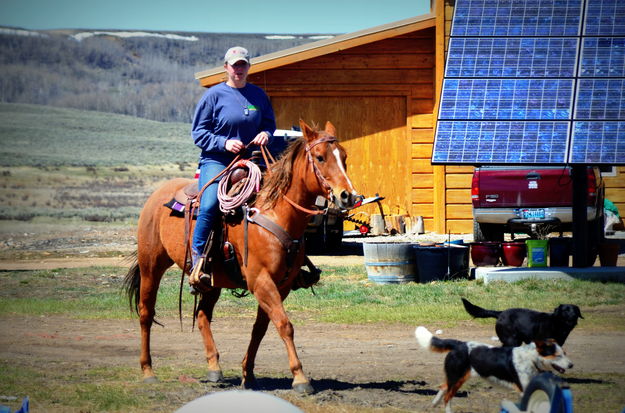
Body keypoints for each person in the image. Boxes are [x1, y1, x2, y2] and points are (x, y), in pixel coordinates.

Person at [190, 46, 276, 285]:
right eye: (234, 65)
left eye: (243, 65)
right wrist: (224, 143)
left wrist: (265, 135)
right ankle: (197, 258)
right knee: (210, 204)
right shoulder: (213, 96)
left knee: (278, 199)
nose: (239, 69)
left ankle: (287, 260)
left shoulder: (258, 96)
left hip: (252, 160)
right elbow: (198, 133)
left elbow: (269, 124)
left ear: (249, 67)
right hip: (218, 160)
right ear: (226, 67)